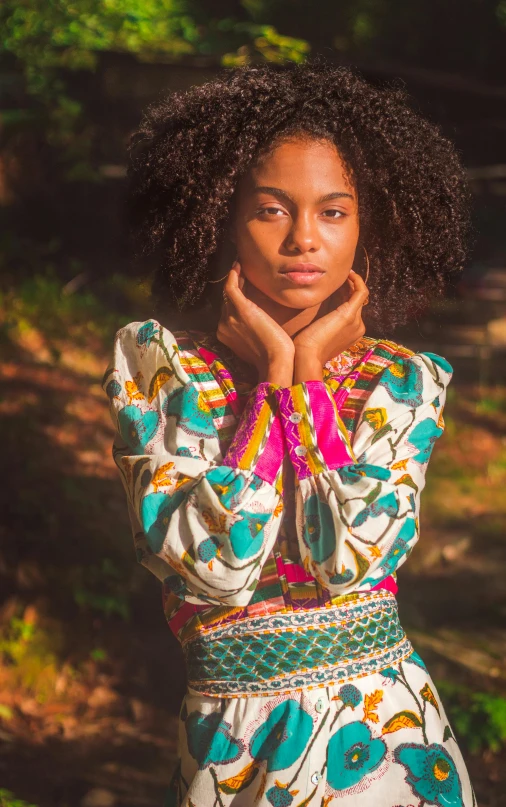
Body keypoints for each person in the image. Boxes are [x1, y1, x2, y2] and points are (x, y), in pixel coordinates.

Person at [103, 60, 475, 806]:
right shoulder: (161, 370)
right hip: (231, 755)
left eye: (334, 212)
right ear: (220, 217)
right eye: (272, 210)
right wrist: (273, 381)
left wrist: (303, 388)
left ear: (367, 226)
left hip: (393, 751)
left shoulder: (400, 384)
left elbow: (350, 558)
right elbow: (217, 568)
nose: (305, 237)